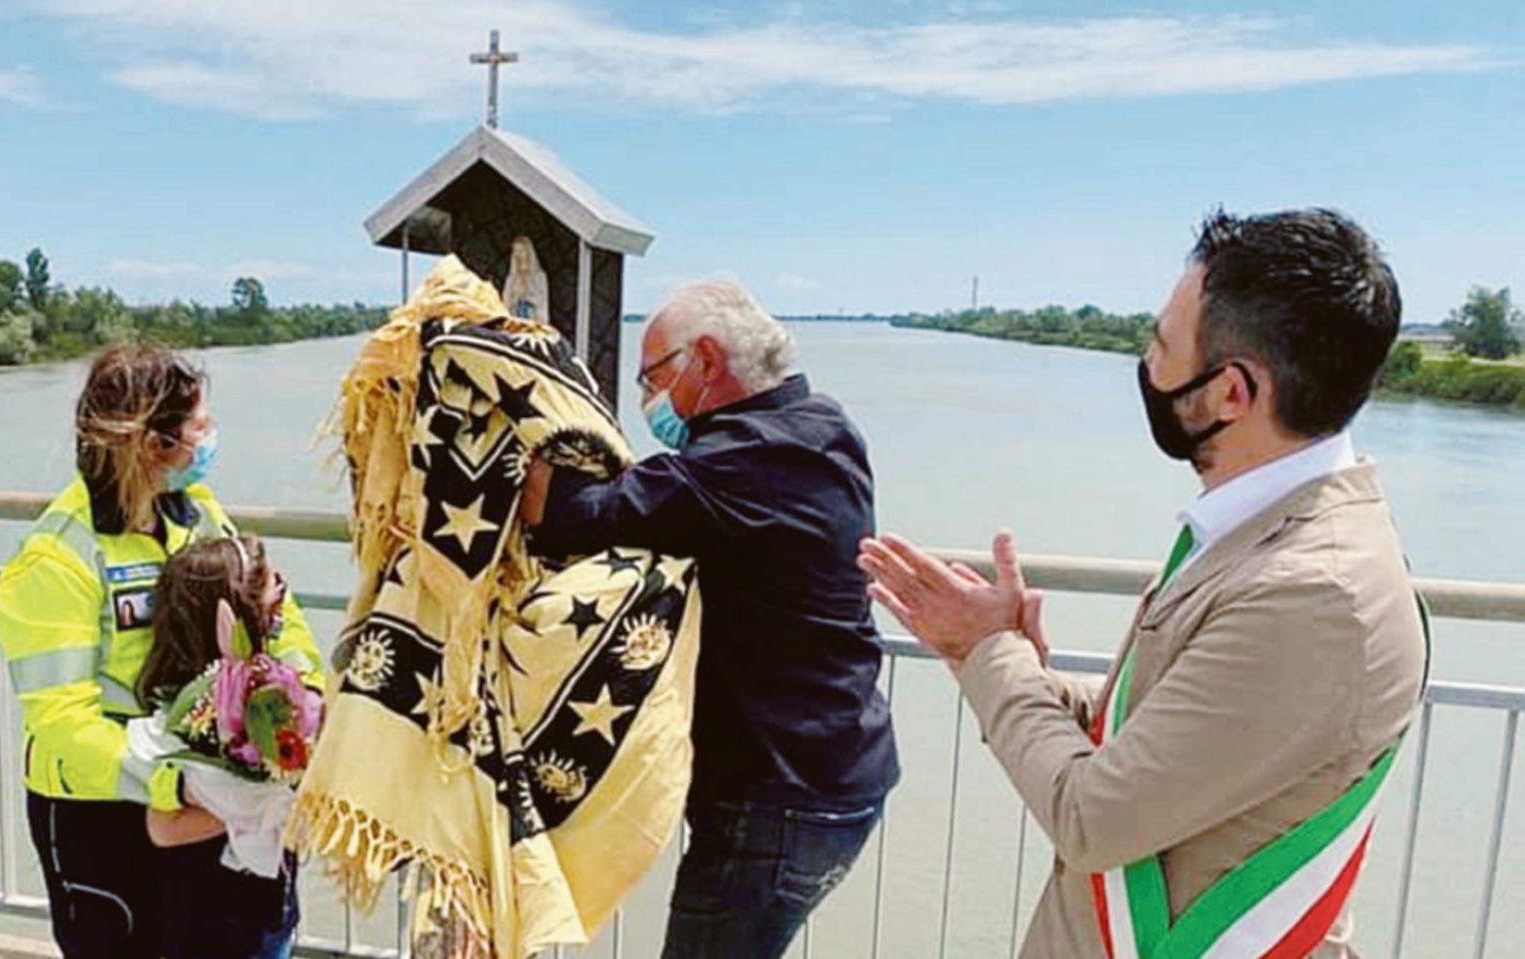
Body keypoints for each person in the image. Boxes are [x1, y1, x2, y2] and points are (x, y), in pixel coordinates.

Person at [860, 208, 1427, 959]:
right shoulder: (1266, 534)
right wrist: (1022, 670)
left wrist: (988, 652)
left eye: (1160, 345)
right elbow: (1165, 742)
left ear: (1230, 392)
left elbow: (1094, 817)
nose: (1147, 365)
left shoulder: (1313, 595)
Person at [520, 279, 900, 959]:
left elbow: (568, 512)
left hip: (779, 800)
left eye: (651, 378)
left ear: (705, 359)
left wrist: (519, 424)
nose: (648, 399)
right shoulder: (822, 424)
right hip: (837, 773)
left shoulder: (746, 460)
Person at [0, 343, 323, 958]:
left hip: (204, 793)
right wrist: (173, 782)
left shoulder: (197, 517)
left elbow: (277, 620)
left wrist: (302, 707)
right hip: (107, 813)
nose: (211, 436)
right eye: (200, 426)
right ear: (152, 443)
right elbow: (62, 723)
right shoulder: (58, 559)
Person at [136, 536, 303, 959]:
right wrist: (258, 808)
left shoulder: (267, 696)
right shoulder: (181, 722)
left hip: (265, 908)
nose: (281, 605)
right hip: (211, 921)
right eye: (276, 593)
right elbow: (163, 828)